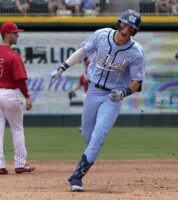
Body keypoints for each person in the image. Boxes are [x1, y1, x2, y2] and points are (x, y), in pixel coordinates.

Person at [50, 10, 145, 192]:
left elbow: (137, 83)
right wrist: (62, 67)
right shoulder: (102, 35)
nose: (126, 29)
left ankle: (76, 177)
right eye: (125, 24)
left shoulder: (136, 52)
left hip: (113, 96)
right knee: (88, 136)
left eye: (131, 28)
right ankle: (92, 145)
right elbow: (83, 51)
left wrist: (124, 93)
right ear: (119, 23)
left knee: (98, 134)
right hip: (93, 91)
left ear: (134, 32)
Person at [0, 22, 35, 175]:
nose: (17, 35)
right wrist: (27, 96)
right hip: (8, 94)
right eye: (15, 33)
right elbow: (20, 80)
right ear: (6, 35)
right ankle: (20, 164)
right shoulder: (13, 55)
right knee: (17, 130)